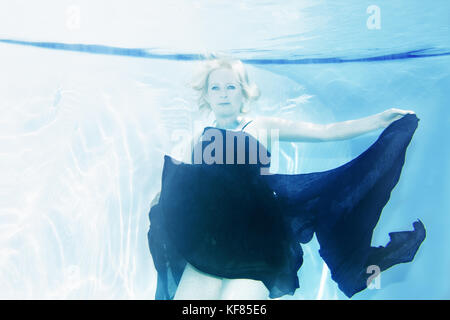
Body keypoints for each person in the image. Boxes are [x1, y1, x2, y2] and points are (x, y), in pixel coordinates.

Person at [147, 58, 426, 300]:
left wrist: (380, 120)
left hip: (257, 240)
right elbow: (186, 186)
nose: (223, 94)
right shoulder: (199, 138)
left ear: (244, 92)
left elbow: (327, 131)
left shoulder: (261, 126)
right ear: (206, 95)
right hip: (208, 241)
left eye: (230, 87)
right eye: (215, 88)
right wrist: (160, 197)